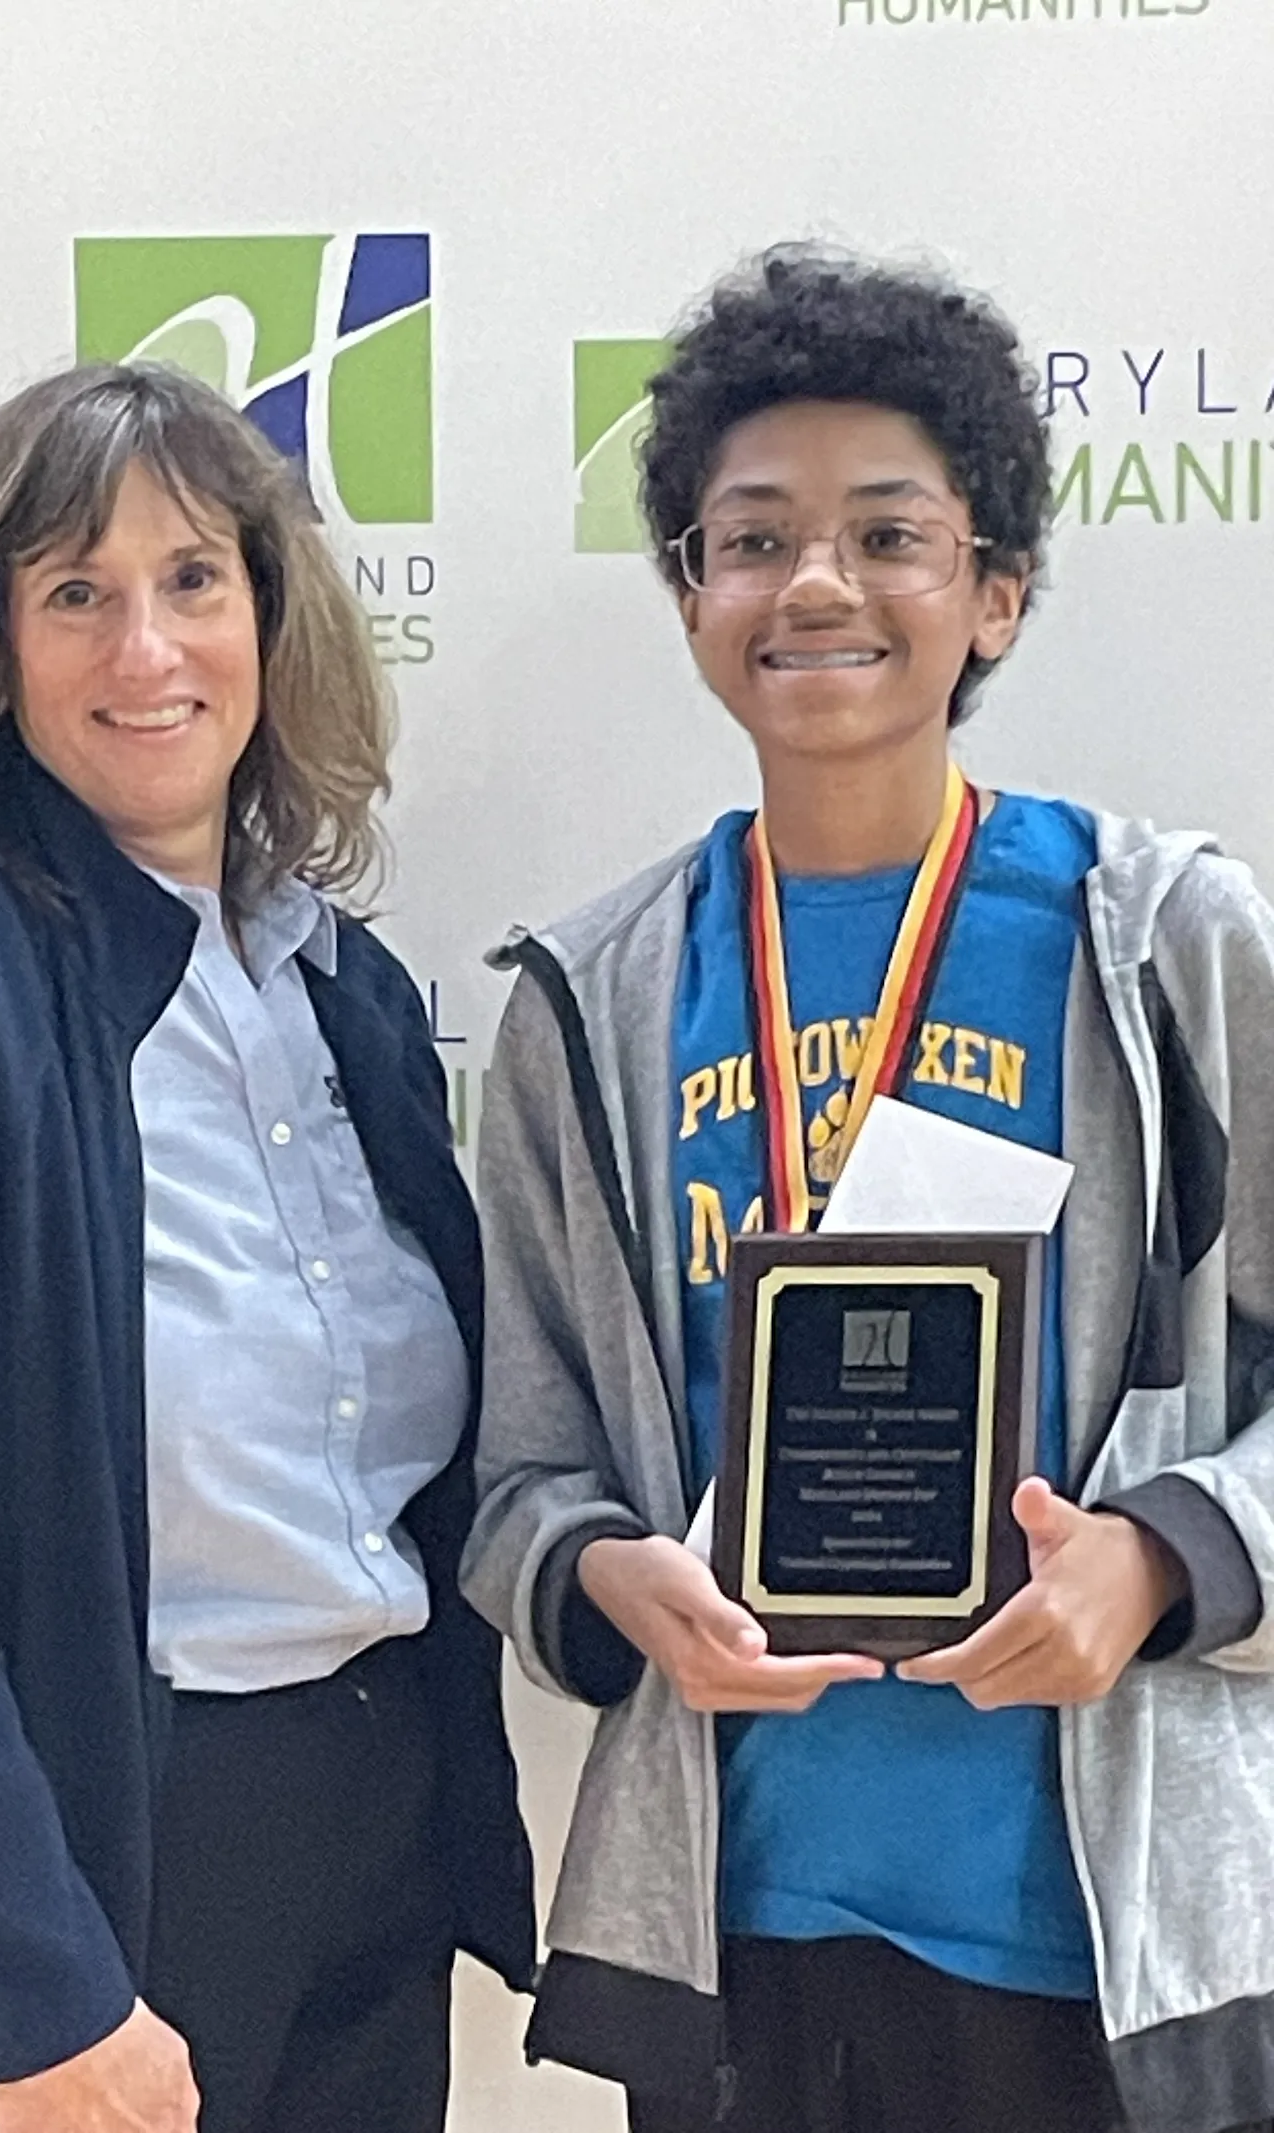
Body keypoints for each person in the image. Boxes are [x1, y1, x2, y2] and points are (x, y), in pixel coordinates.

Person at [461, 246, 1274, 2133]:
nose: (814, 583)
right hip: (745, 1935)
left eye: (886, 533)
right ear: (690, 597)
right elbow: (512, 1468)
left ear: (992, 595)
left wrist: (1161, 1558)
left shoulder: (1160, 948)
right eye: (751, 538)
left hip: (1106, 1951)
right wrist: (596, 1572)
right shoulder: (590, 1003)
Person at [0, 362, 533, 2133]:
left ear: (269, 614)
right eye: (77, 592)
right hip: (53, 1880)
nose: (146, 649)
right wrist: (36, 1989)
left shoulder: (338, 986)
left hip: (354, 1849)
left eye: (193, 581)